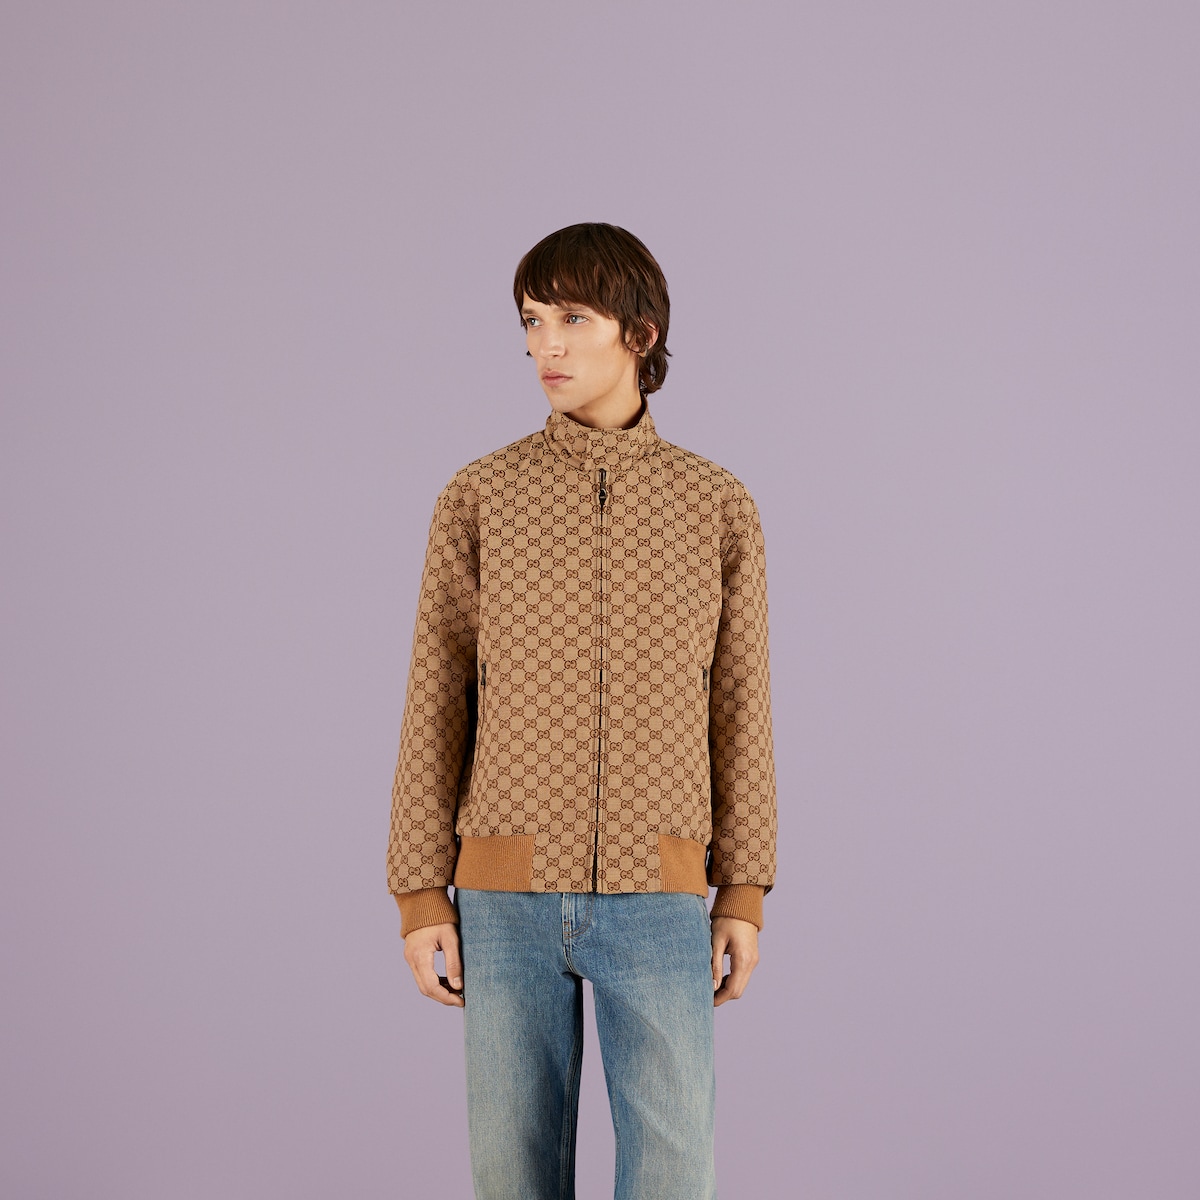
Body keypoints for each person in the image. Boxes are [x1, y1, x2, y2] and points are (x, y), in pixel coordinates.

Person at [387, 222, 777, 1200]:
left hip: (658, 894)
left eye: (571, 318)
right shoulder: (481, 497)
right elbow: (435, 696)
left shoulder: (715, 505)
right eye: (530, 321)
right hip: (503, 900)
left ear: (639, 333)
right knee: (511, 1175)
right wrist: (420, 894)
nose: (545, 346)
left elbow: (740, 707)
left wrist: (743, 890)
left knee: (674, 1172)